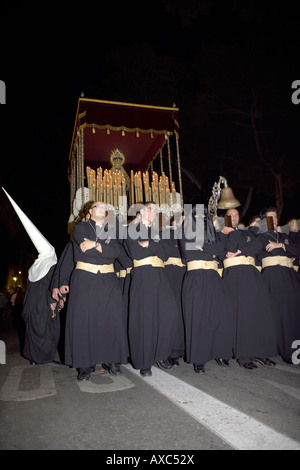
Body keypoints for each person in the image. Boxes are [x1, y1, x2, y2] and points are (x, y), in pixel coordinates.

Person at [64, 201, 128, 381]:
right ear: (90, 211)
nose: (102, 208)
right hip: (85, 278)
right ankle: (85, 365)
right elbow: (84, 251)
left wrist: (96, 245)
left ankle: (111, 360)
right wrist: (102, 249)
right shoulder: (80, 228)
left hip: (108, 279)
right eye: (98, 206)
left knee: (112, 320)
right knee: (84, 322)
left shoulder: (112, 231)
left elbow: (116, 251)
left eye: (105, 207)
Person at [123, 201, 183, 377]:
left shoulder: (158, 232)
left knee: (169, 315)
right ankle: (144, 362)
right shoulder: (132, 229)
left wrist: (148, 244)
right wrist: (152, 247)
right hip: (143, 275)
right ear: (141, 211)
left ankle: (161, 354)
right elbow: (135, 252)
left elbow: (165, 254)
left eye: (156, 210)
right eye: (151, 209)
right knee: (144, 319)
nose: (154, 213)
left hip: (161, 275)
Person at [2, 188, 60, 365]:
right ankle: (44, 357)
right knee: (48, 329)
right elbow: (51, 284)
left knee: (33, 329)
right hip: (44, 301)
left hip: (31, 301)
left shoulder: (35, 266)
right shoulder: (49, 263)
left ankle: (33, 357)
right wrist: (55, 300)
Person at [220, 208, 278, 369]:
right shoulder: (222, 233)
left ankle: (262, 352)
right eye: (230, 215)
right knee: (242, 315)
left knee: (260, 312)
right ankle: (244, 357)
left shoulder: (248, 234)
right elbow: (227, 250)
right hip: (235, 275)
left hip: (252, 274)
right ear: (225, 218)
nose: (234, 217)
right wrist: (235, 233)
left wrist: (240, 250)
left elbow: (257, 245)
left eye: (237, 214)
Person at [179, 205, 234, 373]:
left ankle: (221, 353)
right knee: (199, 318)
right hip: (195, 276)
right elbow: (190, 252)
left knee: (220, 314)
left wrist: (205, 248)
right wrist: (210, 250)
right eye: (198, 216)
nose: (202, 218)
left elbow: (222, 250)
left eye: (204, 216)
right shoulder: (184, 232)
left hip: (213, 276)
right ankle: (199, 358)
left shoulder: (214, 234)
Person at [257, 207, 300, 364]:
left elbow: (297, 250)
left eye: (275, 217)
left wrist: (282, 246)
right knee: (275, 313)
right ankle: (268, 350)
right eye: (270, 218)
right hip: (272, 277)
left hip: (289, 276)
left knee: (291, 313)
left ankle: (291, 350)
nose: (274, 220)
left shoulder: (284, 237)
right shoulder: (260, 236)